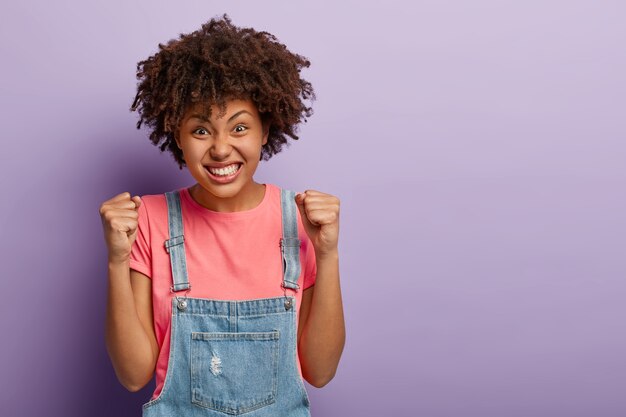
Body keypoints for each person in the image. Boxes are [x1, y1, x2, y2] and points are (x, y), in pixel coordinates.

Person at [98, 13, 345, 417]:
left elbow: (320, 370)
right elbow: (132, 375)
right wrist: (116, 259)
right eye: (200, 130)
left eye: (239, 128)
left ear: (266, 129)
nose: (220, 149)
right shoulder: (150, 220)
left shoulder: (300, 220)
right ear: (176, 134)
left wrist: (330, 253)